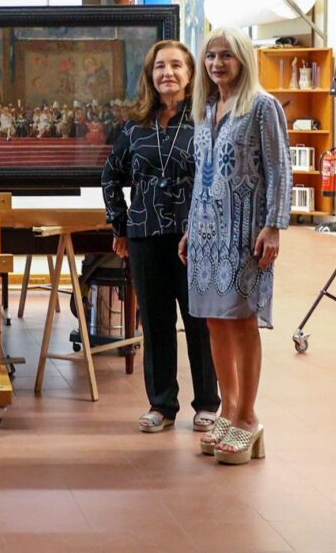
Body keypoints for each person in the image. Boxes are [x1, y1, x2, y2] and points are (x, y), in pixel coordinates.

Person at [180, 26, 292, 465]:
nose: (217, 63)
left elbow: (279, 168)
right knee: (214, 322)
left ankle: (247, 417)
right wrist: (191, 227)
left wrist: (275, 225)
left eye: (226, 55)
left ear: (243, 59)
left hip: (245, 232)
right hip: (207, 233)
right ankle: (227, 410)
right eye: (210, 56)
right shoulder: (205, 108)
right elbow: (202, 174)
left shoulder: (262, 107)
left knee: (241, 321)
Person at [101, 40, 219, 435]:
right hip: (145, 234)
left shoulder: (206, 120)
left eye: (175, 66)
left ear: (190, 74)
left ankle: (206, 404)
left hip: (195, 235)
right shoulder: (134, 127)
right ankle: (161, 404)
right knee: (155, 322)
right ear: (150, 77)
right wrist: (119, 224)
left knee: (199, 320)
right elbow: (110, 176)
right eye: (159, 67)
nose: (167, 73)